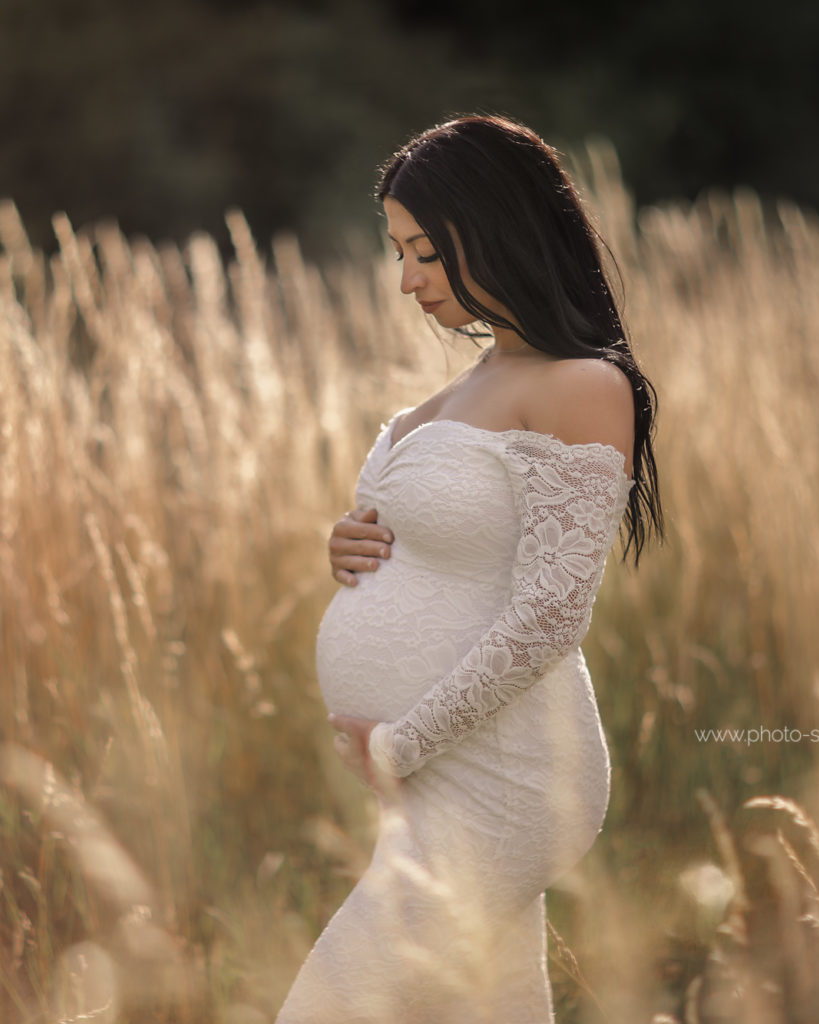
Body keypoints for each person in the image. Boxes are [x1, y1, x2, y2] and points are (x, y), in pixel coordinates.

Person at [275, 115, 663, 1022]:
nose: (405, 281)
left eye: (424, 253)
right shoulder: (468, 387)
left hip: (509, 777)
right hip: (432, 775)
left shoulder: (581, 385)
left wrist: (400, 744)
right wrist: (352, 546)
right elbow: (443, 549)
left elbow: (550, 617)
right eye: (399, 253)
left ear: (492, 231)